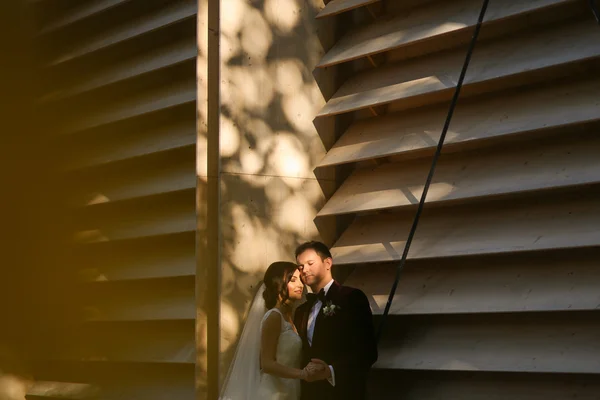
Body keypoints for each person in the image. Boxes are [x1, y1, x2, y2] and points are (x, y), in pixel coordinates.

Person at [219, 261, 325, 400]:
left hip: (290, 390)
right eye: (293, 280)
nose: (300, 285)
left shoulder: (291, 317)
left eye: (300, 280)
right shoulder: (274, 316)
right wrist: (302, 374)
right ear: (278, 283)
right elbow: (267, 363)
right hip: (273, 393)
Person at [294, 241, 378, 400]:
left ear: (328, 263)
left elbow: (367, 352)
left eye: (310, 263)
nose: (304, 270)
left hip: (343, 392)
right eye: (300, 267)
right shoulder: (301, 311)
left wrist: (330, 371)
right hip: (309, 394)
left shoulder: (351, 298)